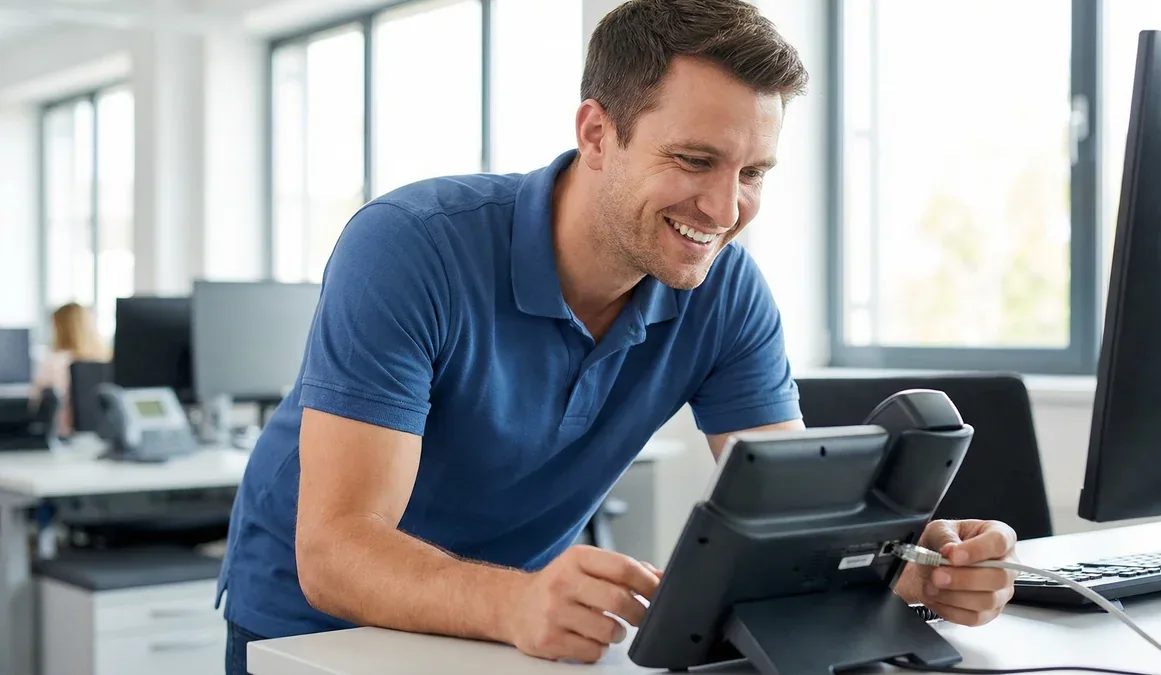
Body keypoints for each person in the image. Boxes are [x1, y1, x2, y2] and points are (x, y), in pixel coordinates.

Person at [218, 1, 1020, 672]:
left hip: (512, 630)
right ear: (597, 134)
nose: (724, 208)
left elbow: (795, 520)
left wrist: (905, 565)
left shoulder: (724, 288)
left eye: (753, 173)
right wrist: (514, 598)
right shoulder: (410, 246)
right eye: (695, 159)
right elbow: (336, 552)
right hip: (318, 633)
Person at [29, 302, 108, 436]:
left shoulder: (54, 362)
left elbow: (35, 405)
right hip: (101, 437)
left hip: (64, 436)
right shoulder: (106, 360)